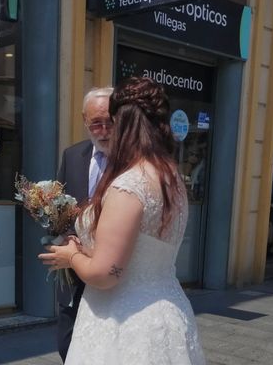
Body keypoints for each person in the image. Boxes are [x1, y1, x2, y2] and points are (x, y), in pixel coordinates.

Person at [39, 77, 205, 364]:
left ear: (124, 124)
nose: (107, 132)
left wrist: (72, 255)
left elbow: (106, 274)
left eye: (112, 123)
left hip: (123, 322)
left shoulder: (129, 185)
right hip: (168, 314)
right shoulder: (172, 178)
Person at [54, 86, 113, 362]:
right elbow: (59, 210)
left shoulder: (132, 162)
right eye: (96, 123)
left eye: (109, 122)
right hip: (72, 273)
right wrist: (67, 238)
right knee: (67, 345)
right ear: (84, 121)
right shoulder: (71, 155)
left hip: (111, 273)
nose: (103, 130)